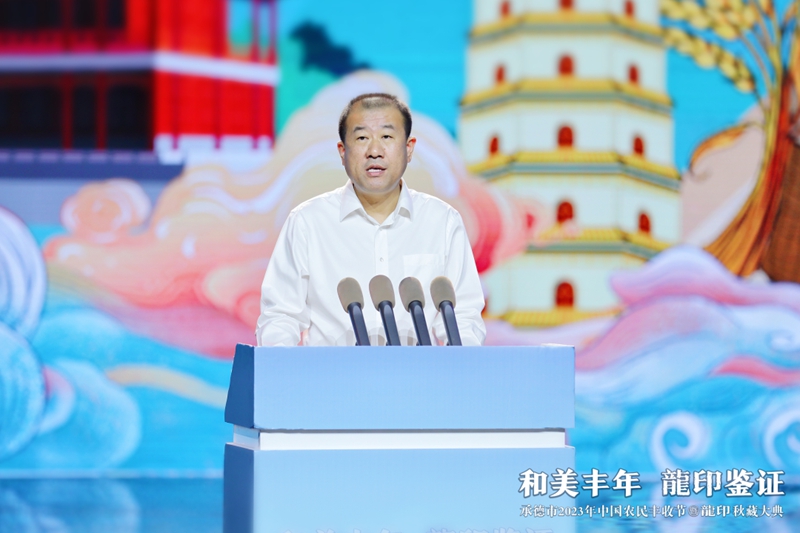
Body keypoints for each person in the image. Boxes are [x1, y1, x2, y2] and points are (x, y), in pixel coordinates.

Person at [256, 93, 486, 346]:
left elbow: (463, 317)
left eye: (387, 137)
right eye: (362, 138)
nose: (374, 151)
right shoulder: (307, 222)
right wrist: (282, 363)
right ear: (342, 152)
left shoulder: (442, 222)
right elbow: (280, 316)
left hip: (416, 371)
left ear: (409, 148)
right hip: (333, 371)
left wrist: (461, 361)